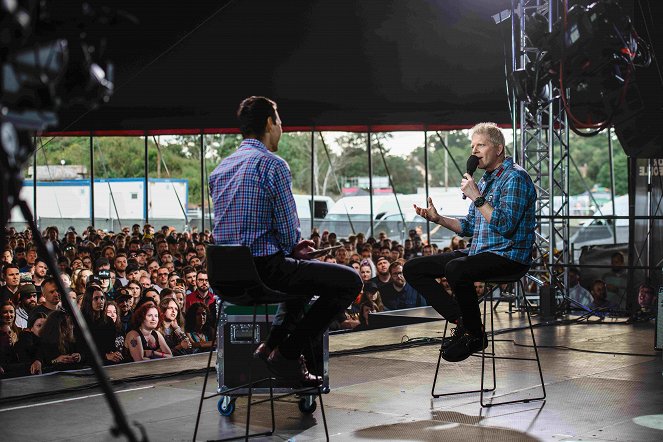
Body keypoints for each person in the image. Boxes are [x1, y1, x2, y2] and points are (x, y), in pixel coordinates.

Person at [209, 96, 362, 385]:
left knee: (299, 275)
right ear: (269, 122)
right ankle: (288, 354)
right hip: (264, 272)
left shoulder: (220, 169)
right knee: (350, 281)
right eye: (279, 122)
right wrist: (293, 245)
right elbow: (288, 233)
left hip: (226, 278)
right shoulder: (273, 165)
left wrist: (291, 251)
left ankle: (269, 346)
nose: (282, 128)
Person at [404, 122, 536, 362]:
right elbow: (469, 227)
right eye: (472, 146)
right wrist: (438, 218)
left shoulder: (515, 177)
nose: (474, 151)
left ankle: (474, 335)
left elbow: (505, 226)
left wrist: (476, 196)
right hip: (481, 252)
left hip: (510, 256)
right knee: (413, 268)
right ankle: (463, 320)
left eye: (481, 145)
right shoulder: (485, 180)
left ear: (498, 148)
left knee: (456, 268)